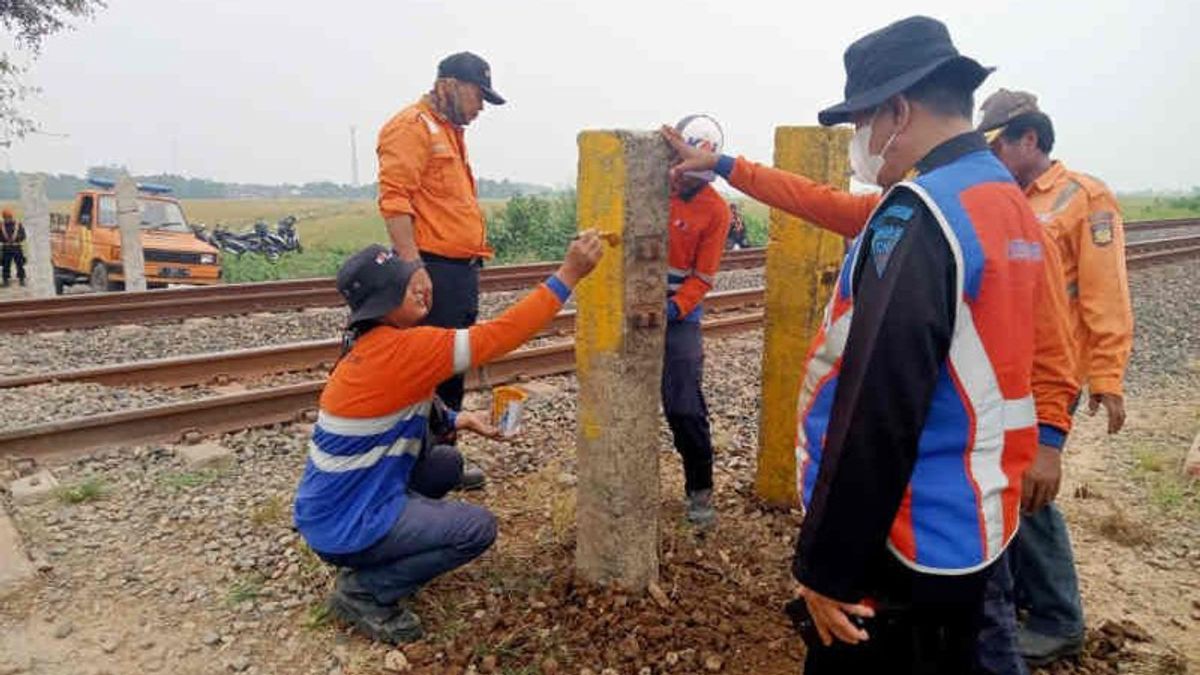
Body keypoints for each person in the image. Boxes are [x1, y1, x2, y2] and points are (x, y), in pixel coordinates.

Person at [663, 16, 1078, 673]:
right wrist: (723, 163)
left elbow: (876, 409)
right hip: (973, 517)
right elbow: (815, 200)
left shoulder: (924, 215)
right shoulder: (1005, 203)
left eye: (861, 121)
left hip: (902, 535)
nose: (860, 139)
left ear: (898, 110)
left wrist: (826, 566)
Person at [292, 232, 604, 644]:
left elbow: (405, 407)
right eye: (408, 284)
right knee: (476, 529)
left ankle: (392, 544)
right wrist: (569, 274)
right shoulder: (406, 349)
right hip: (345, 524)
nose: (422, 286)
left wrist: (462, 419)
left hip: (333, 509)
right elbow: (500, 336)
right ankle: (364, 592)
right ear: (386, 301)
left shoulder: (371, 346)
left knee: (447, 464)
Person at [975, 89, 1134, 669]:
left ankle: (1059, 618)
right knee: (1005, 487)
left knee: (1032, 490)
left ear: (1030, 140)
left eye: (998, 144)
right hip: (1005, 371)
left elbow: (1104, 293)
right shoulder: (1001, 196)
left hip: (1051, 371)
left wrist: (1108, 377)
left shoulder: (1082, 199)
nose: (989, 155)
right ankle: (1018, 600)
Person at [376, 51, 506, 489]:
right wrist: (413, 269)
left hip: (458, 272)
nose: (481, 106)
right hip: (433, 270)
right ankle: (416, 472)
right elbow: (395, 201)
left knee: (450, 371)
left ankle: (441, 463)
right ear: (449, 85)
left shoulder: (449, 132)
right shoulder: (411, 127)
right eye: (477, 94)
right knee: (425, 374)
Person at [663, 114, 732, 527]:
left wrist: (674, 309)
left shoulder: (715, 211)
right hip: (632, 306)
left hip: (678, 314)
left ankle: (700, 489)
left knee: (685, 406)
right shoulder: (647, 187)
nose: (689, 179)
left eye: (700, 175)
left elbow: (702, 277)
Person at [1, 209, 26, 287]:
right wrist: (5, 240)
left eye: (9, 217)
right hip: (6, 248)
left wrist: (16, 238)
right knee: (6, 265)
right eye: (5, 217)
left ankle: (21, 279)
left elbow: (23, 236)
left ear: (11, 217)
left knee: (20, 264)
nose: (7, 219)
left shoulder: (18, 225)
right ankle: (5, 280)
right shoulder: (1, 225)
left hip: (16, 248)